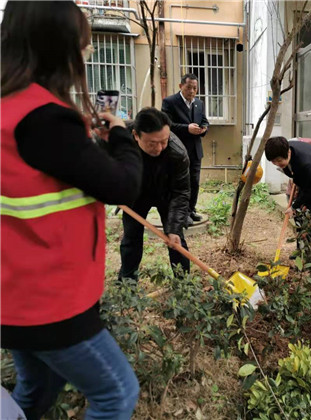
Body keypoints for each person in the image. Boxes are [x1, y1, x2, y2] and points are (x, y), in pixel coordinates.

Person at [1, 2, 143, 418]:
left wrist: (86, 141)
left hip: (15, 295)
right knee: (116, 393)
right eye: (83, 45)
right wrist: (120, 135)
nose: (88, 53)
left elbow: (52, 173)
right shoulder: (45, 120)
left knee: (36, 390)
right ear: (57, 49)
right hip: (50, 302)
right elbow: (123, 186)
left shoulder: (13, 109)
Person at [119, 108, 191, 281]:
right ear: (136, 135)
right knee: (131, 238)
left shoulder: (177, 153)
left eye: (164, 141)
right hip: (136, 193)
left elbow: (181, 192)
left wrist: (173, 228)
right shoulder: (121, 140)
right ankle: (127, 284)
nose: (159, 148)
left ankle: (184, 285)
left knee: (176, 240)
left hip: (167, 194)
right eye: (152, 143)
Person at [162, 73, 209, 226]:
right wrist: (187, 128)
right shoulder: (170, 102)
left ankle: (190, 210)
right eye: (189, 87)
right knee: (180, 183)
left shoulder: (199, 104)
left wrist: (204, 128)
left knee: (194, 182)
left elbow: (204, 121)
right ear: (180, 86)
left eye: (195, 88)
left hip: (195, 150)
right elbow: (167, 125)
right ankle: (180, 214)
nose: (192, 91)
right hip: (177, 151)